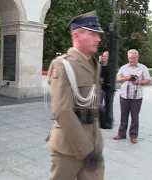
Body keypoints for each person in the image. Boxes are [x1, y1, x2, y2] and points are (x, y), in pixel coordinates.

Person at [45, 10, 105, 180]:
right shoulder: (63, 64)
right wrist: (85, 148)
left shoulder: (94, 64)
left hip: (93, 139)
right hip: (69, 145)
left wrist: (96, 141)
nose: (98, 39)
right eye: (93, 34)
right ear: (77, 35)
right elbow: (62, 111)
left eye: (98, 35)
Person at [113, 49, 151, 144]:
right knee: (123, 115)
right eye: (130, 58)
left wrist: (138, 81)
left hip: (136, 97)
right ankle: (121, 134)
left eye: (133, 58)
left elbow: (148, 80)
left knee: (134, 117)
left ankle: (133, 135)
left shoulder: (143, 68)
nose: (132, 60)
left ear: (137, 57)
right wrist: (126, 78)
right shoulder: (124, 67)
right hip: (124, 96)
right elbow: (117, 79)